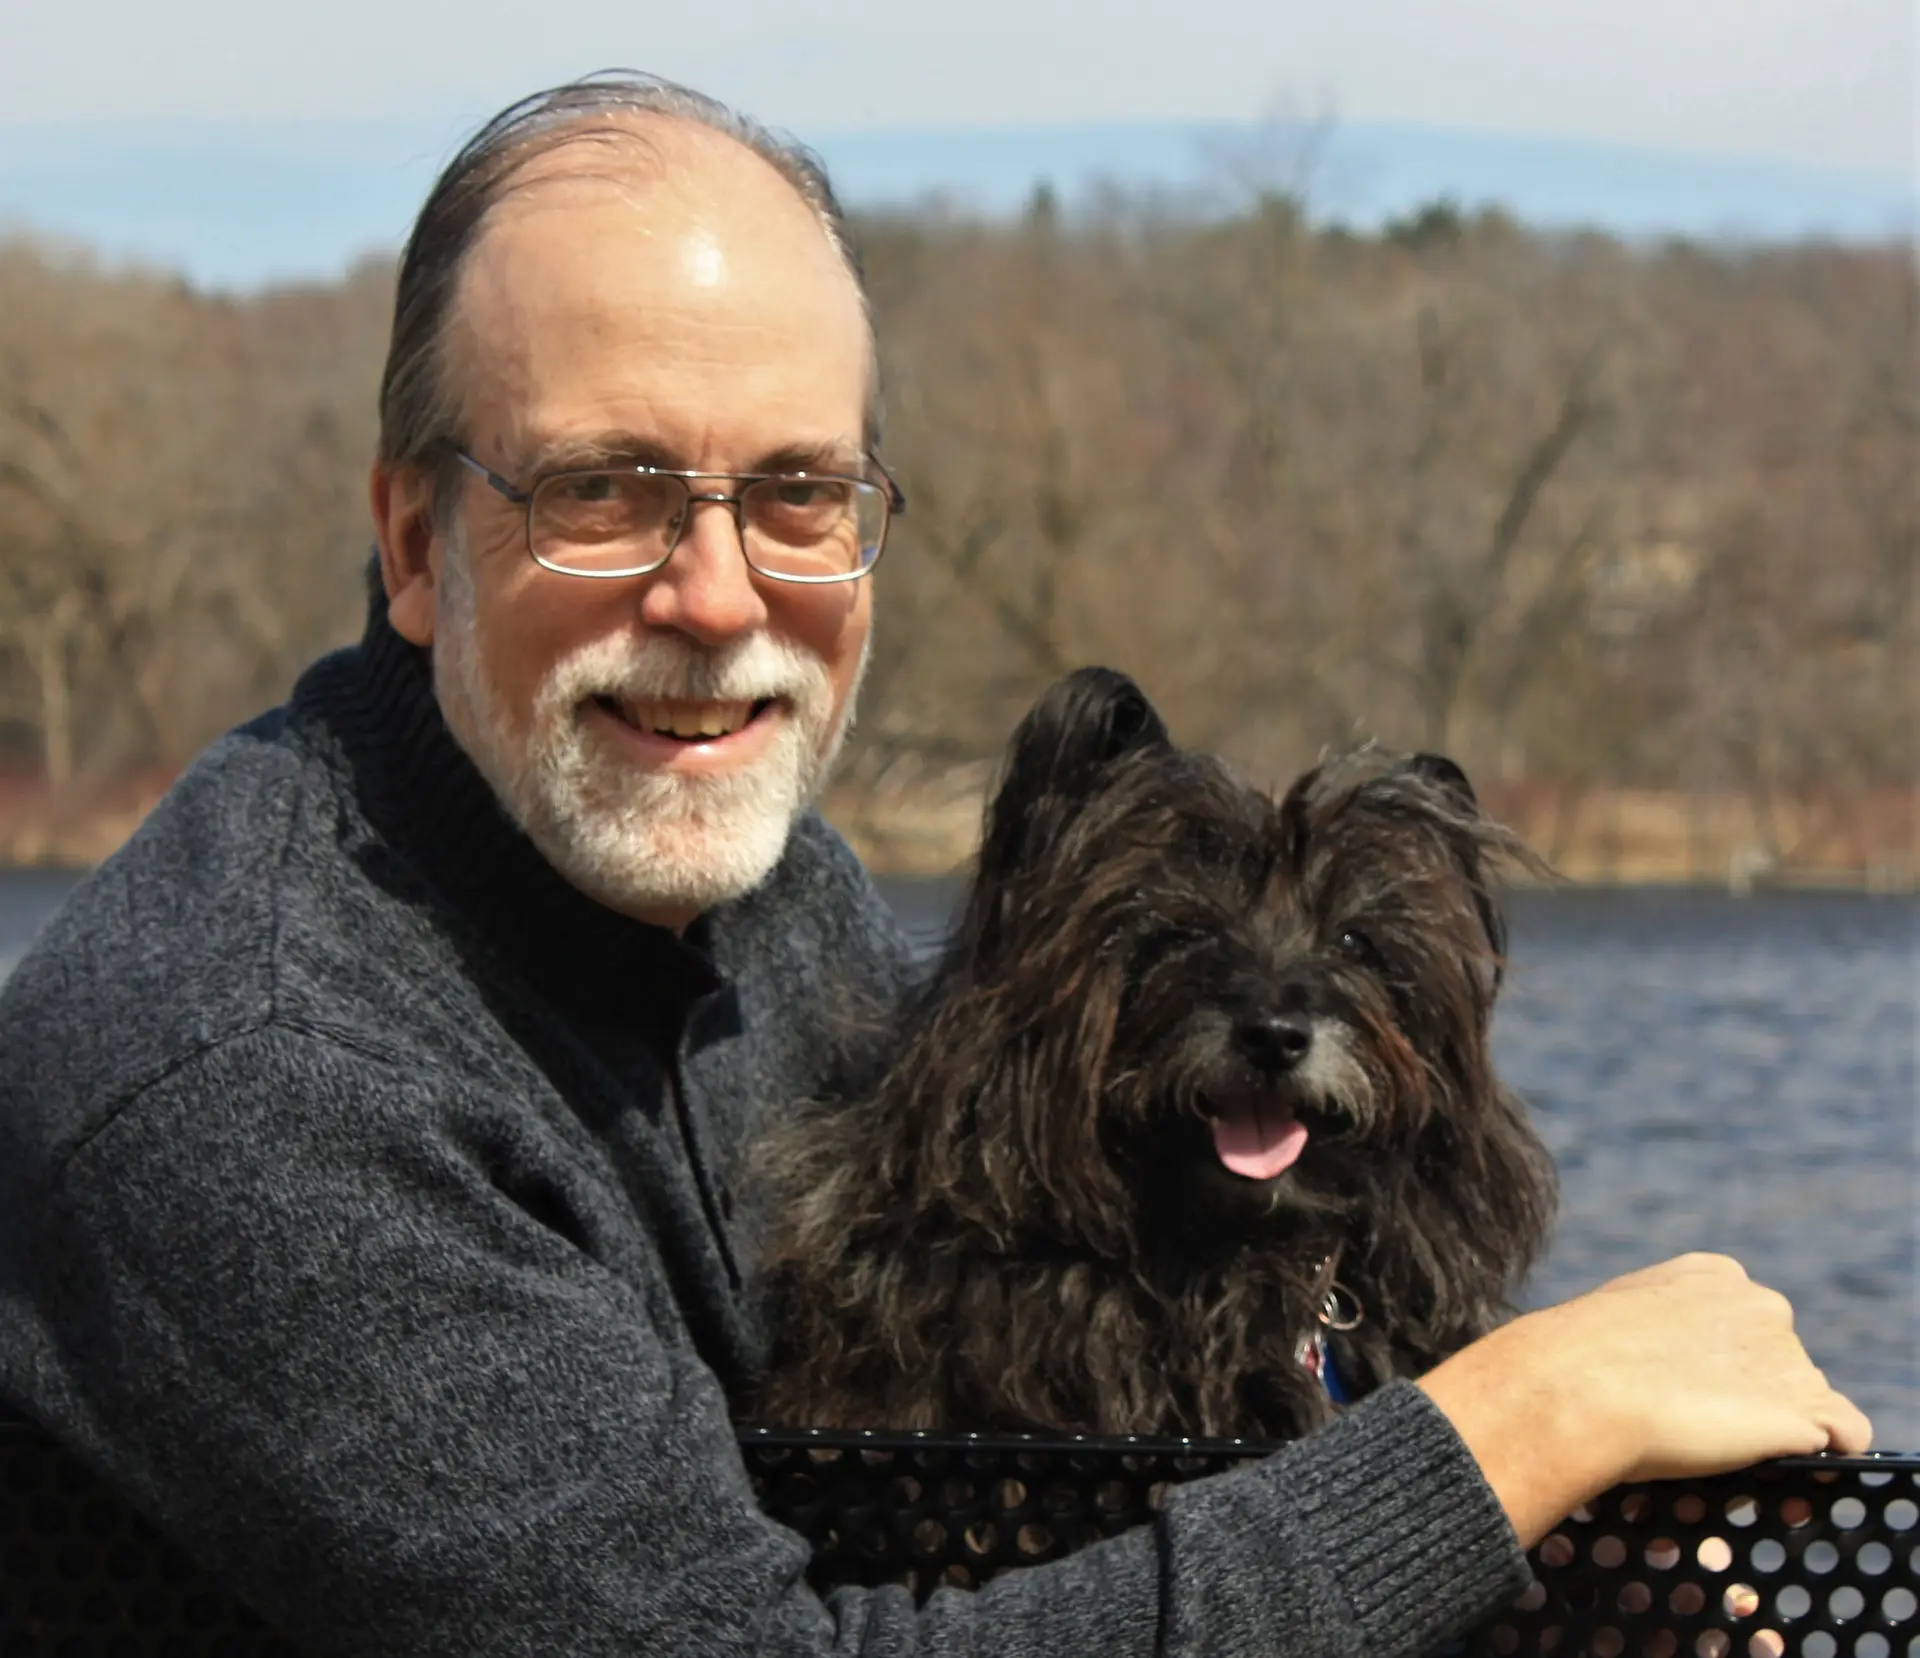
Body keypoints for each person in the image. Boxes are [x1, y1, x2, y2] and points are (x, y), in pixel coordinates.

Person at [0, 72, 1869, 1658]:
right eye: (606, 487)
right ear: (415, 538)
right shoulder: (265, 1075)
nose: (716, 594)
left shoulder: (745, 872)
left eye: (798, 492)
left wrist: (1535, 1573)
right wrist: (1501, 1439)